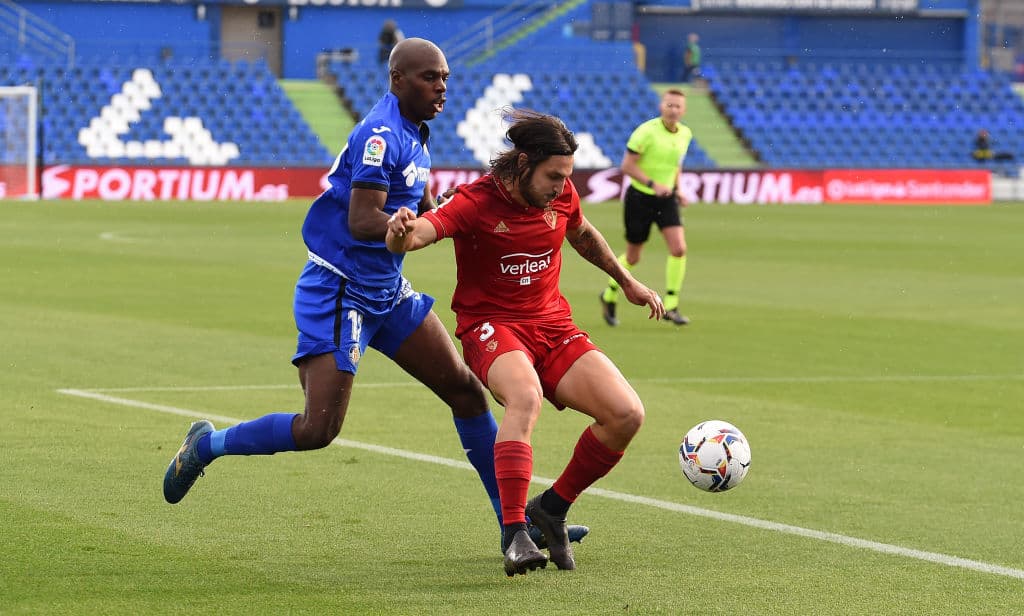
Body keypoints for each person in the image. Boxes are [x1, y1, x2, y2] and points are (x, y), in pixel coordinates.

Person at [161, 38, 587, 552]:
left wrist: (439, 209)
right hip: (340, 291)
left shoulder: (415, 131)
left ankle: (513, 525)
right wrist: (402, 225)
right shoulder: (380, 135)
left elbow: (416, 204)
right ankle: (206, 445)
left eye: (445, 78)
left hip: (386, 290)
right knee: (318, 429)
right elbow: (362, 219)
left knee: (466, 392)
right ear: (397, 80)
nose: (442, 87)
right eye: (430, 77)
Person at [385, 109, 665, 576]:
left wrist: (627, 281)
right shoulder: (475, 201)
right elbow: (418, 236)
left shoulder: (561, 194)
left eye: (566, 176)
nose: (562, 186)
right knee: (525, 396)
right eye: (553, 176)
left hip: (552, 326)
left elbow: (582, 233)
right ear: (523, 163)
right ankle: (515, 532)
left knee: (626, 414)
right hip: (491, 326)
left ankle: (551, 509)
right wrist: (399, 234)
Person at [600, 88, 692, 327]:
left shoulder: (685, 134)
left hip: (666, 198)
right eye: (669, 105)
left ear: (684, 110)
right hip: (640, 198)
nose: (673, 110)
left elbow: (676, 165)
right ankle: (609, 293)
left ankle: (671, 305)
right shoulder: (646, 132)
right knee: (633, 256)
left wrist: (678, 189)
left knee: (679, 248)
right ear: (661, 107)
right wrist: (652, 184)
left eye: (677, 106)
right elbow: (627, 166)